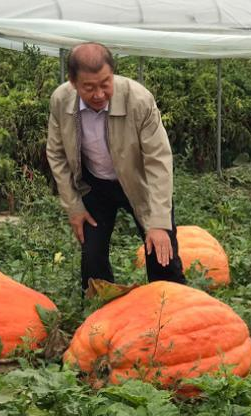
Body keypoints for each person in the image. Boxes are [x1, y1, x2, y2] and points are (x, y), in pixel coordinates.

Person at [46, 42, 186, 291]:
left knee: (163, 256)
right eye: (89, 87)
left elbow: (158, 160)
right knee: (92, 260)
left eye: (105, 84)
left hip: (139, 184)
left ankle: (172, 309)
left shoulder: (138, 99)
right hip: (95, 186)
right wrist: (74, 206)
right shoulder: (60, 101)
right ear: (73, 82)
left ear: (113, 74)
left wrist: (159, 222)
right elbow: (56, 154)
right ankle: (101, 315)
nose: (98, 94)